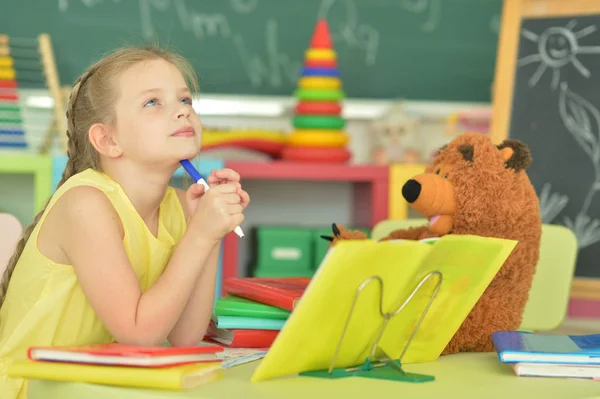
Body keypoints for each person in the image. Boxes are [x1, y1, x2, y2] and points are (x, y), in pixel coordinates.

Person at [0, 44, 250, 399]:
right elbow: (139, 332)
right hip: (34, 388)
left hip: (96, 388)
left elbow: (184, 335)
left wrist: (206, 232)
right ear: (108, 139)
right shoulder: (86, 204)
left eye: (185, 100)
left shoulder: (181, 206)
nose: (181, 112)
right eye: (153, 102)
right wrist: (201, 235)